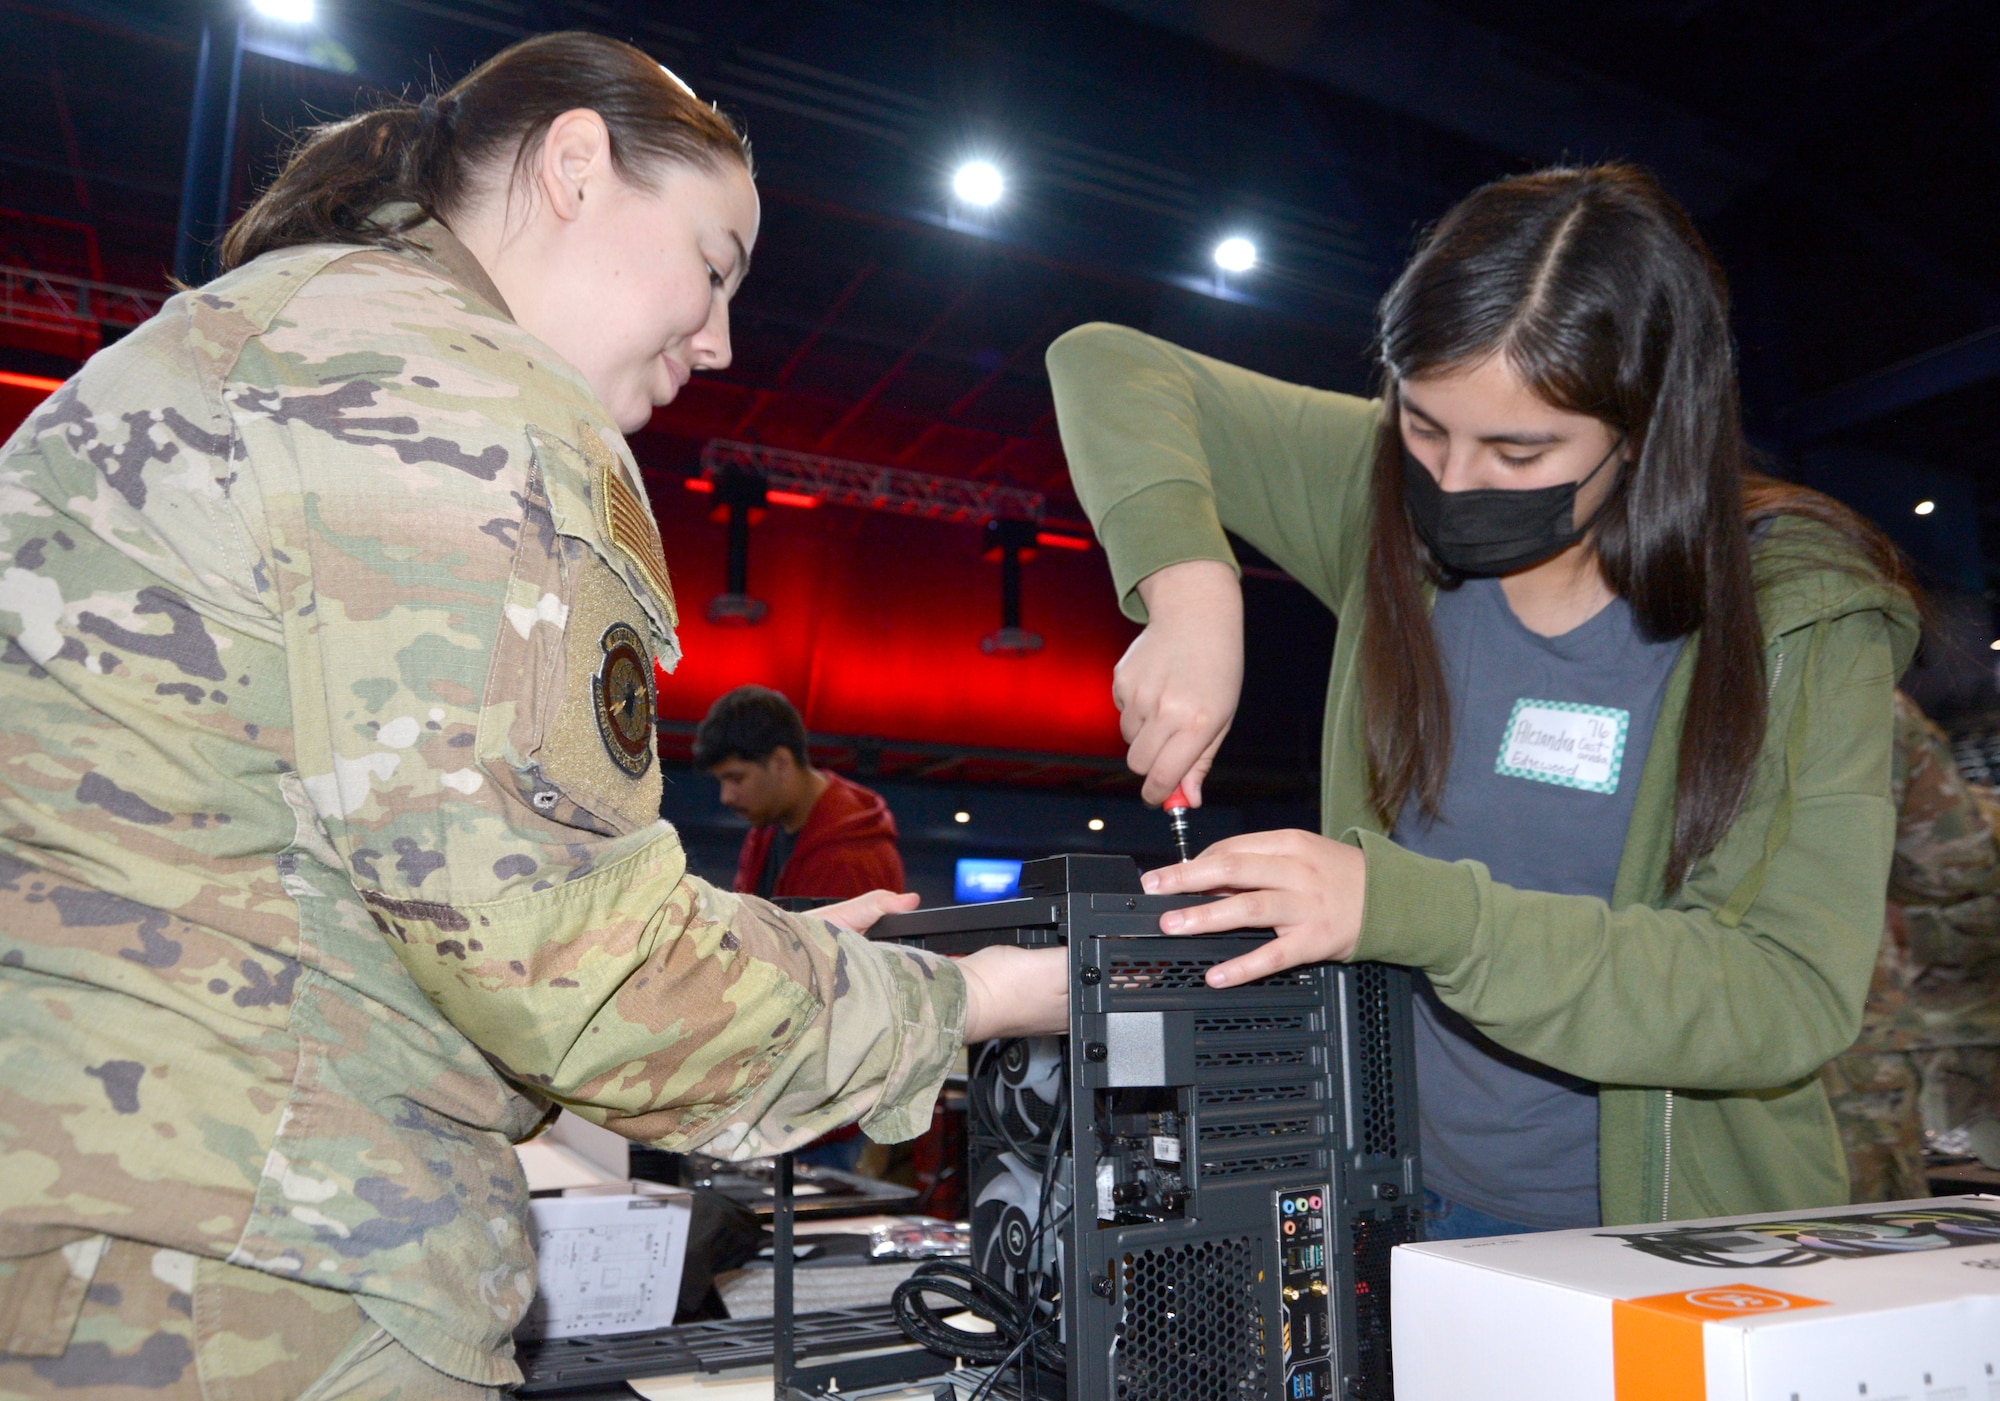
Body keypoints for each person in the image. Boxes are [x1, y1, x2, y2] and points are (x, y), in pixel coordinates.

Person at [0, 33, 1063, 1398]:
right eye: (715, 265)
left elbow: (349, 874)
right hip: (268, 1278)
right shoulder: (455, 398)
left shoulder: (257, 337)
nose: (722, 339)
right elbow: (573, 964)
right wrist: (962, 998)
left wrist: (789, 955)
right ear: (574, 167)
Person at [1047, 163, 1919, 1235]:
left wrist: (1407, 910)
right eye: (1421, 426)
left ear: (1645, 425)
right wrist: (1188, 591)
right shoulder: (1382, 509)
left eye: (1518, 450)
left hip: (1664, 1236)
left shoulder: (1798, 617)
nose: (1452, 484)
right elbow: (1105, 363)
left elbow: (1784, 993)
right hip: (1401, 1204)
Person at [1821, 692, 2000, 1201]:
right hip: (1851, 1028)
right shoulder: (1863, 694)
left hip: (1677, 1021)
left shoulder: (1642, 671)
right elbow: (1955, 861)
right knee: (1872, 1240)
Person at [694, 685, 905, 899]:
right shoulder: (765, 829)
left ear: (780, 762)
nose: (726, 796)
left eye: (736, 778)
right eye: (721, 780)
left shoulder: (850, 860)